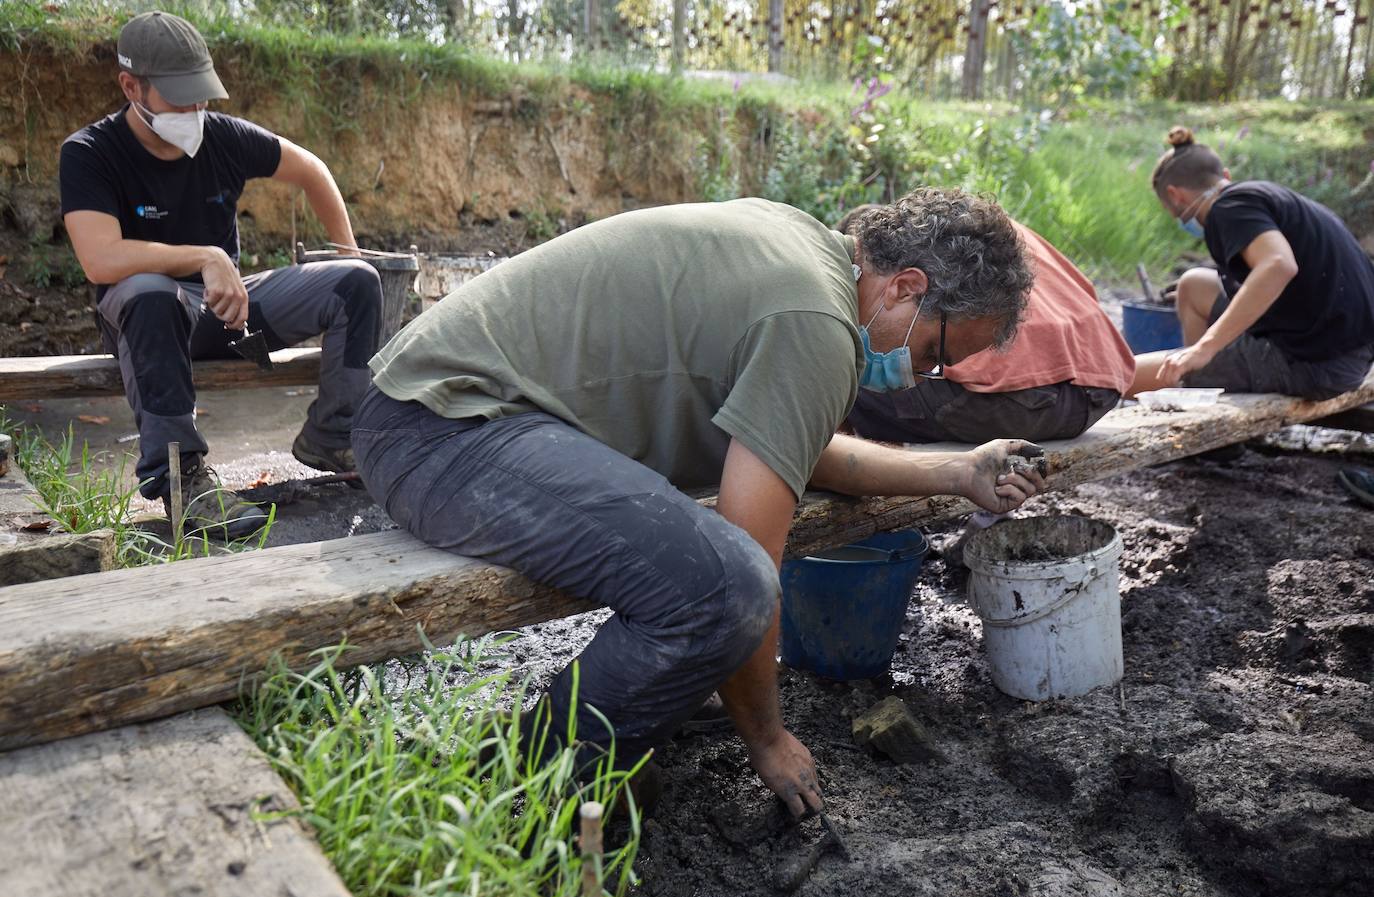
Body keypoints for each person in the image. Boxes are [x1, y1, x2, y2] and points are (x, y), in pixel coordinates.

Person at [353, 189, 1045, 816]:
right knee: (724, 590)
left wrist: (956, 473)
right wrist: (766, 737)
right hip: (443, 430)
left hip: (449, 414)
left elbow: (792, 447)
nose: (921, 375)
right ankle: (517, 792)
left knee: (714, 590)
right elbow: (749, 562)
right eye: (932, 350)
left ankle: (603, 742)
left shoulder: (804, 252)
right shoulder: (815, 320)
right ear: (907, 288)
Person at [60, 11, 383, 537]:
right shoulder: (90, 153)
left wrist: (347, 250)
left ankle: (334, 433)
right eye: (178, 99)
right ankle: (183, 482)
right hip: (148, 322)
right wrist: (205, 256)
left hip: (227, 312)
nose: (194, 111)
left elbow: (312, 171)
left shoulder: (225, 138)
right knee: (150, 292)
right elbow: (101, 260)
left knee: (354, 280)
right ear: (130, 86)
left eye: (201, 97)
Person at [838, 204, 1135, 444]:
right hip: (1101, 390)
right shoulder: (974, 228)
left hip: (1012, 400)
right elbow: (1087, 294)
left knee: (838, 374)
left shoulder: (927, 257)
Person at [1129, 126, 1374, 400]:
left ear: (1176, 195)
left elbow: (1279, 265)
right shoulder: (1259, 195)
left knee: (1126, 377)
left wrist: (1205, 348)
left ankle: (1193, 376)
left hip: (1314, 362)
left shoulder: (1227, 210)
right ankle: (1200, 385)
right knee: (1194, 284)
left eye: (1170, 211)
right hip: (1348, 349)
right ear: (1224, 176)